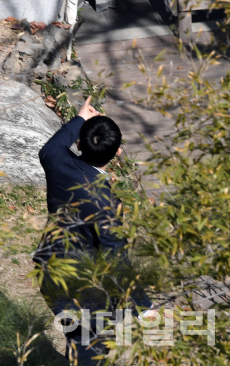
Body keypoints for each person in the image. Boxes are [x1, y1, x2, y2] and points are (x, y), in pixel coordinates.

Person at [33, 97, 153, 365]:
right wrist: (143, 306)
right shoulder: (106, 203)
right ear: (118, 154)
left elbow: (53, 145)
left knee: (77, 337)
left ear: (78, 143)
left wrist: (79, 119)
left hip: (49, 270)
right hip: (83, 286)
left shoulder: (56, 161)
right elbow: (115, 259)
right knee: (90, 348)